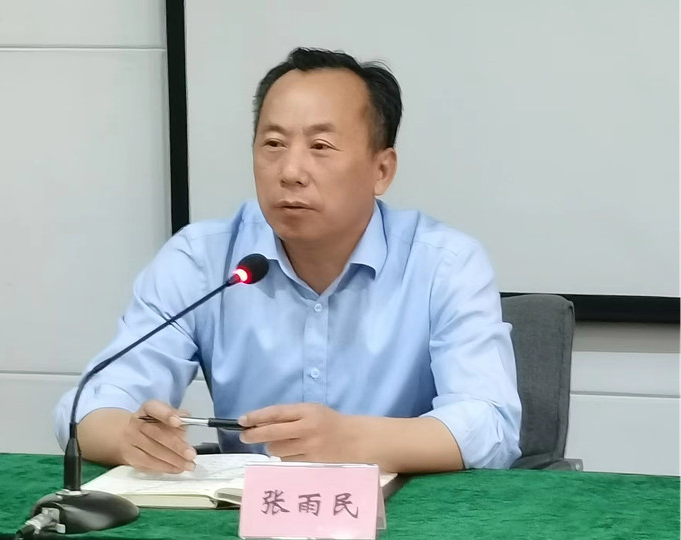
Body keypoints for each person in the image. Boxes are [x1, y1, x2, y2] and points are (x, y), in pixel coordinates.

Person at [53, 47, 522, 475]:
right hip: (245, 522)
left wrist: (351, 440)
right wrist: (128, 437)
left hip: (402, 520)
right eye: (273, 144)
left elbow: (490, 423)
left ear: (381, 170)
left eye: (320, 147)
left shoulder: (445, 265)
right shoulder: (202, 260)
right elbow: (89, 404)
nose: (291, 172)